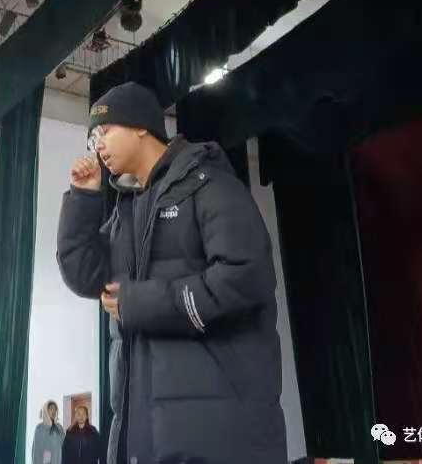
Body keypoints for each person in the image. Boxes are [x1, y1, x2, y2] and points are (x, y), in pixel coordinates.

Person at [57, 82, 288, 464]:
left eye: (105, 131)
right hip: (144, 439)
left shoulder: (210, 185)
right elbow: (84, 275)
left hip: (215, 441)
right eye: (93, 139)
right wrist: (83, 198)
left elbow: (245, 279)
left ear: (140, 126)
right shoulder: (127, 211)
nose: (98, 146)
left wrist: (140, 304)